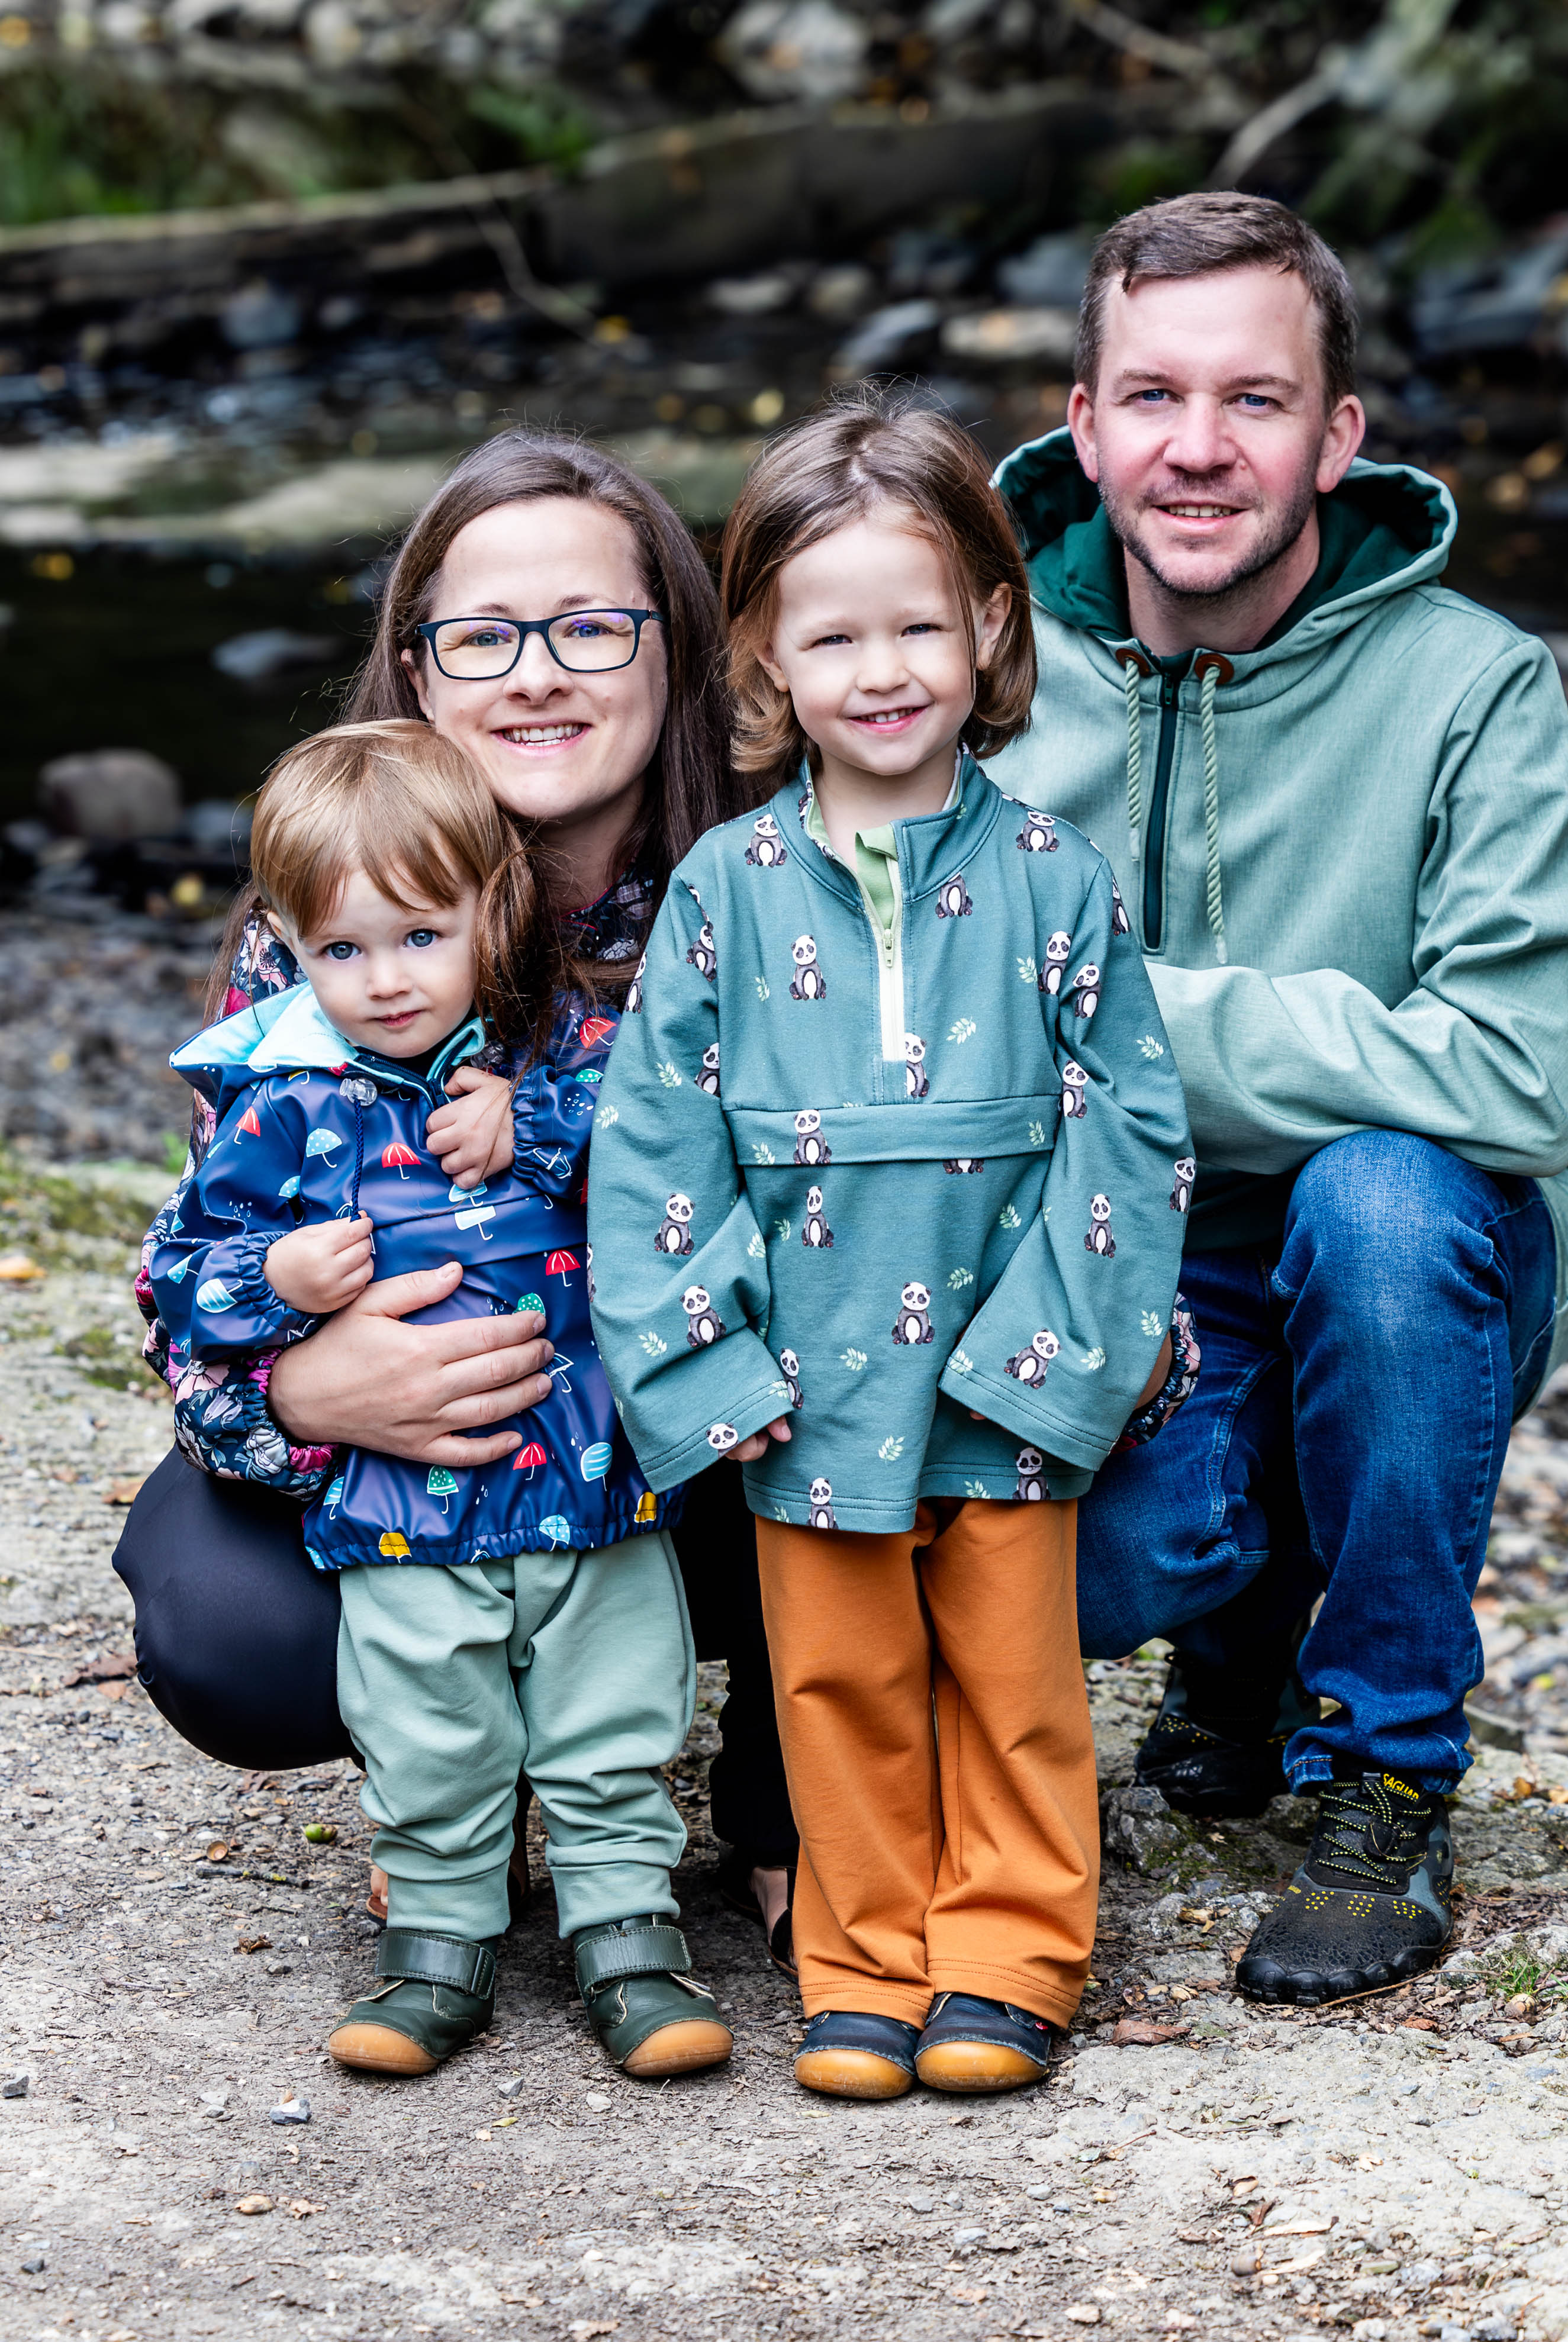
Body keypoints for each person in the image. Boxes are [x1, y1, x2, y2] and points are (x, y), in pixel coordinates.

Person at [986, 192, 1568, 2005]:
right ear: (1086, 418)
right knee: (1110, 1569)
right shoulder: (972, 675)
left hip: (1416, 1249)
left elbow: (1514, 1074)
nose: (1201, 451)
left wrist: (1104, 1016)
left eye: (1257, 401)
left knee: (1382, 1193)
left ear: (1339, 433)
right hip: (1120, 1263)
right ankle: (1245, 1629)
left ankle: (1388, 1770)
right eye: (1157, 397)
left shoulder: (1474, 686)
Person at [113, 431, 798, 1969]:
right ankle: (454, 1788)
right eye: (482, 634)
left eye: (589, 626)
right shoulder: (327, 930)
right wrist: (300, 1383)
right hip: (446, 1470)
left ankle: (786, 1786)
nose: (535, 673)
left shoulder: (773, 883)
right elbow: (190, 1280)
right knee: (231, 1621)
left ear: (674, 644)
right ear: (419, 670)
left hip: (716, 1444)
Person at [588, 390, 1198, 2101]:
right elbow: (658, 1140)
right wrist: (706, 1356)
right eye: (832, 631)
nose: (883, 668)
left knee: (1013, 1681)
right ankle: (861, 1961)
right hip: (804, 1373)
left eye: (921, 622)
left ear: (992, 626)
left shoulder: (1056, 879)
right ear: (767, 655)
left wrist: (1055, 1351)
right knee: (836, 1682)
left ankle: (1010, 1953)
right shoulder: (725, 885)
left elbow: (1133, 1123)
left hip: (1001, 1375)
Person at [152, 719, 731, 2080]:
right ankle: (435, 1948)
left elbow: (682, 1151)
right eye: (340, 951)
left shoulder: (569, 1051)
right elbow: (181, 1273)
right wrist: (279, 1276)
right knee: (428, 1724)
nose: (386, 979)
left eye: (419, 935)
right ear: (290, 948)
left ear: (493, 906)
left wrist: (526, 1127)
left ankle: (629, 1938)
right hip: (399, 1497)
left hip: (590, 1484)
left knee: (609, 1714)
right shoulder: (280, 1100)